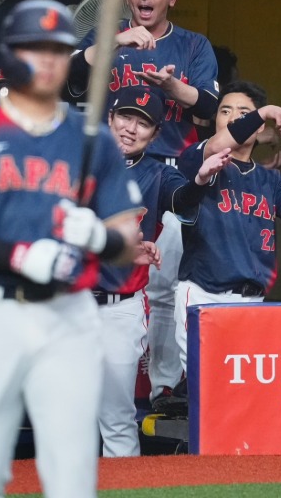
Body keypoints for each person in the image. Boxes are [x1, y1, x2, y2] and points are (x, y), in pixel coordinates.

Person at [0, 0, 141, 498]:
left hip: (68, 316)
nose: (46, 60)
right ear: (9, 54)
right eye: (33, 48)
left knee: (72, 476)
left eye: (57, 49)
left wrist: (98, 236)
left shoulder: (92, 138)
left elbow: (128, 241)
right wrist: (22, 257)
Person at [67, 0, 220, 411]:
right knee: (102, 275)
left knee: (164, 286)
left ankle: (162, 386)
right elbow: (70, 76)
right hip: (109, 170)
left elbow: (210, 106)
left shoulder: (192, 45)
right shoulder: (110, 35)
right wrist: (115, 41)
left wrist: (172, 88)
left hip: (168, 167)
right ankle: (106, 386)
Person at [96, 87, 229, 456]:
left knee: (117, 419)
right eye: (125, 117)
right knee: (60, 412)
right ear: (110, 117)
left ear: (155, 134)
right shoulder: (75, 162)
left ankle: (122, 486)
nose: (131, 128)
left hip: (119, 307)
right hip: (66, 304)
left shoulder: (157, 173)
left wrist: (199, 181)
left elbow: (181, 199)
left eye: (143, 123)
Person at [174, 80, 281, 378]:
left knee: (245, 391)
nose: (233, 118)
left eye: (244, 113)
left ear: (259, 129)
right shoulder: (198, 157)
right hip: (204, 294)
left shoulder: (273, 180)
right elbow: (217, 146)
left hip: (252, 300)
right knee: (207, 386)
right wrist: (264, 112)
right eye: (225, 111)